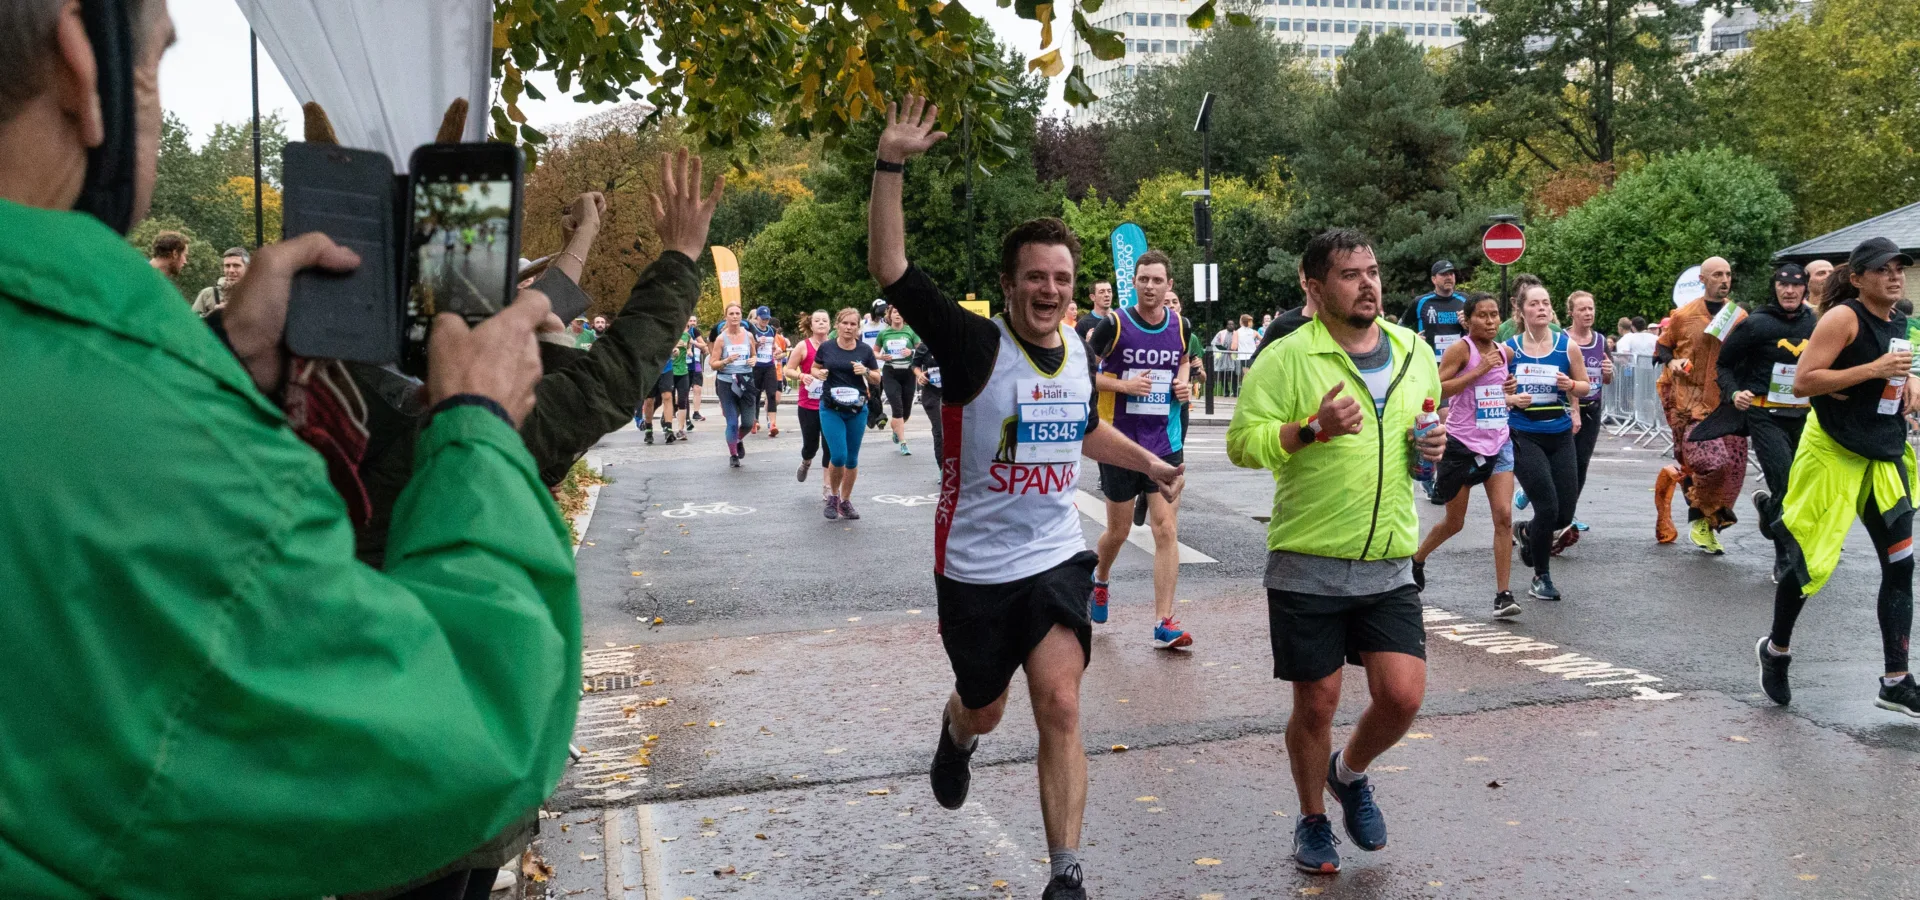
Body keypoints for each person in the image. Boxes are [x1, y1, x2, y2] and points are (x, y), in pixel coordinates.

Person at [0, 2, 584, 895]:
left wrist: (222, 356)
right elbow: (465, 738)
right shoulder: (156, 438)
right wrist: (476, 425)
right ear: (85, 65)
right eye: (154, 63)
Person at [870, 94, 1184, 900]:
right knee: (988, 710)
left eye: (1063, 279)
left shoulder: (1080, 351)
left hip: (1053, 558)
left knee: (1062, 703)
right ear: (1008, 284)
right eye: (1035, 278)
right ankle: (956, 731)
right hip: (974, 569)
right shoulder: (977, 344)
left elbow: (1078, 430)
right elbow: (891, 269)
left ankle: (1065, 874)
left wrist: (1148, 465)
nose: (1049, 290)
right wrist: (891, 163)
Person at [1226, 228, 1445, 876]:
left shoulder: (1414, 351)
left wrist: (1427, 451)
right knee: (1316, 702)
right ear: (1315, 288)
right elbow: (1243, 443)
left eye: (1371, 271)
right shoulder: (1289, 357)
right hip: (1308, 559)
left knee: (1403, 696)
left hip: (1387, 560)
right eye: (1350, 274)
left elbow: (1420, 441)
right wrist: (1311, 428)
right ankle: (1312, 818)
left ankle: (1347, 775)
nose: (1367, 283)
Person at [1759, 237, 1920, 716]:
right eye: (1885, 269)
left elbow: (1897, 371)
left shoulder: (1901, 321)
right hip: (1832, 451)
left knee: (1901, 565)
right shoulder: (1842, 318)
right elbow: (1804, 380)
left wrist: (1910, 379)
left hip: (1882, 453)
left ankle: (1896, 680)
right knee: (1811, 564)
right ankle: (1776, 650)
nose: (1896, 276)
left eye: (1900, 268)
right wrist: (1874, 368)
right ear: (1858, 278)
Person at [1087, 249, 1195, 650]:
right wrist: (1123, 386)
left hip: (1163, 441)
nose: (1150, 286)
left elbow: (1182, 360)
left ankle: (1163, 621)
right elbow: (1084, 375)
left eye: (1157, 280)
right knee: (1117, 531)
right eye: (1143, 279)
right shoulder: (1113, 325)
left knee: (1165, 528)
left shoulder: (1180, 325)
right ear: (1133, 283)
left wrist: (1182, 384)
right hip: (1118, 443)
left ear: (1169, 285)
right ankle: (1100, 579)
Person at [1691, 263, 1816, 577]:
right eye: (1783, 285)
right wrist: (1734, 394)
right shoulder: (1757, 324)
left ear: (1805, 288)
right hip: (1765, 414)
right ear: (1774, 287)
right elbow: (1724, 365)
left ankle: (1767, 510)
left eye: (1796, 285)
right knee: (1785, 484)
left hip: (1805, 417)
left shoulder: (1816, 323)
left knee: (1803, 490)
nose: (1789, 291)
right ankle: (1785, 560)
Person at [1412, 293, 1522, 617]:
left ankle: (1503, 595)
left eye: (1494, 315)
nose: (1490, 321)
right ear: (1468, 319)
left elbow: (1496, 389)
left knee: (1503, 517)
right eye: (1483, 316)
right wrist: (1478, 371)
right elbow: (1439, 389)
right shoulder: (1462, 350)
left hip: (1499, 442)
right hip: (1462, 445)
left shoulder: (1505, 352)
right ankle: (1417, 560)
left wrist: (1508, 387)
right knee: (1454, 522)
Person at [1504, 276, 1591, 601]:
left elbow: (1586, 387)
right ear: (1521, 310)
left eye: (1545, 303)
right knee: (1547, 506)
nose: (1540, 308)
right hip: (1524, 434)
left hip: (1559, 433)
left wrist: (1570, 384)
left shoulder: (1566, 346)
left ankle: (1527, 531)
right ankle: (1541, 577)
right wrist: (1511, 399)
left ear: (1551, 309)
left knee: (1564, 515)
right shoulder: (1510, 350)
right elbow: (1493, 391)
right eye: (1533, 304)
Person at [1654, 256, 1747, 553]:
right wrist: (1675, 361)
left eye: (1728, 275)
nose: (1724, 280)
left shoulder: (1740, 317)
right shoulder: (1683, 315)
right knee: (1708, 462)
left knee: (1732, 469)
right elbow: (1662, 348)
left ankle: (1707, 523)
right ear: (1703, 280)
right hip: (1689, 403)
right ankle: (1699, 514)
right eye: (1717, 275)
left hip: (1726, 402)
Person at [813, 307, 881, 519]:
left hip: (857, 409)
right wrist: (820, 373)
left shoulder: (864, 351)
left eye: (853, 324)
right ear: (837, 325)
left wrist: (867, 372)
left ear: (858, 327)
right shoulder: (827, 347)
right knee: (839, 455)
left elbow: (877, 378)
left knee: (851, 459)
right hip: (831, 408)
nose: (849, 328)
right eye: (845, 323)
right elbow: (814, 368)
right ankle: (833, 496)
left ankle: (846, 501)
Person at [1561, 290, 1612, 544]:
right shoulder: (1562, 338)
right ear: (1571, 313)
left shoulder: (1601, 340)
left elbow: (1606, 379)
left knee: (1581, 465)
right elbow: (1565, 377)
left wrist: (1608, 372)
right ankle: (1557, 511)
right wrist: (1574, 409)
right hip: (1567, 408)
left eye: (1591, 308)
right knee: (1564, 463)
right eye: (1582, 309)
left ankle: (1568, 513)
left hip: (1593, 407)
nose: (1588, 313)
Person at [787, 310, 836, 488]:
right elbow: (788, 369)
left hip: (831, 404)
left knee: (829, 445)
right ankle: (806, 462)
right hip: (808, 404)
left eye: (825, 320)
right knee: (811, 445)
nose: (821, 323)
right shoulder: (803, 346)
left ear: (830, 325)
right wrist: (801, 377)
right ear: (811, 324)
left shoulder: (835, 345)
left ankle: (827, 486)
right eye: (817, 320)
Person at [709, 302, 760, 467]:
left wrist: (754, 359)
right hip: (726, 382)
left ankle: (737, 440)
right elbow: (713, 363)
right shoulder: (720, 339)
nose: (735, 317)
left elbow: (754, 355)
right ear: (726, 317)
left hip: (746, 381)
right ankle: (733, 455)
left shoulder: (749, 336)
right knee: (732, 421)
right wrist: (726, 361)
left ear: (741, 316)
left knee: (747, 422)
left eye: (738, 313)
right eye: (731, 314)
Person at [876, 303, 921, 455]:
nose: (898, 314)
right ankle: (903, 443)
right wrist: (881, 356)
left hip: (908, 373)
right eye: (895, 312)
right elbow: (873, 352)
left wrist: (911, 351)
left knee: (906, 411)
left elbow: (922, 351)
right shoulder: (884, 334)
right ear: (890, 315)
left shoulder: (911, 331)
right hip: (890, 373)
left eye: (901, 312)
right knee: (897, 408)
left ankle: (896, 428)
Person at [1409, 259, 1465, 360]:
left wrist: (1469, 324)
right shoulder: (1420, 301)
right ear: (1434, 279)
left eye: (1451, 274)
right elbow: (1401, 326)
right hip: (1429, 361)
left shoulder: (1465, 300)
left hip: (1458, 362)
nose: (1448, 277)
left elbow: (1477, 329)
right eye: (1444, 274)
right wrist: (1412, 338)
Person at [911, 338, 948, 471]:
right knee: (939, 430)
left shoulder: (956, 342)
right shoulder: (924, 346)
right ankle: (942, 469)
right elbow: (914, 365)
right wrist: (919, 374)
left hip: (953, 392)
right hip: (932, 393)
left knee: (956, 431)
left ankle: (957, 467)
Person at [748, 305, 782, 437]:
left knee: (771, 394)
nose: (765, 321)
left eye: (767, 319)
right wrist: (757, 343)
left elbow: (773, 345)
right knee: (755, 394)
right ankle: (754, 421)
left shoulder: (772, 330)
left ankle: (773, 424)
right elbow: (748, 347)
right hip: (756, 365)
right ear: (757, 318)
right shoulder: (752, 329)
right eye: (763, 319)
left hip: (769, 365)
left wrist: (776, 349)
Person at [191, 246, 247, 316]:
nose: (231, 270)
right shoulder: (208, 294)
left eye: (236, 265)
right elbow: (189, 323)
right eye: (227, 266)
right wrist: (213, 314)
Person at [862, 299, 890, 429]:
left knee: (878, 391)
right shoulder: (864, 324)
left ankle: (870, 417)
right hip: (868, 363)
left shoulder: (886, 324)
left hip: (883, 362)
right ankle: (880, 417)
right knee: (874, 391)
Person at [684, 314, 706, 427]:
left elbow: (704, 346)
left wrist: (694, 343)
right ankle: (679, 410)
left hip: (695, 363)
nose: (692, 322)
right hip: (681, 364)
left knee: (697, 388)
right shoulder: (679, 331)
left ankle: (696, 412)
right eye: (690, 320)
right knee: (683, 390)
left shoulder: (694, 331)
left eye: (694, 320)